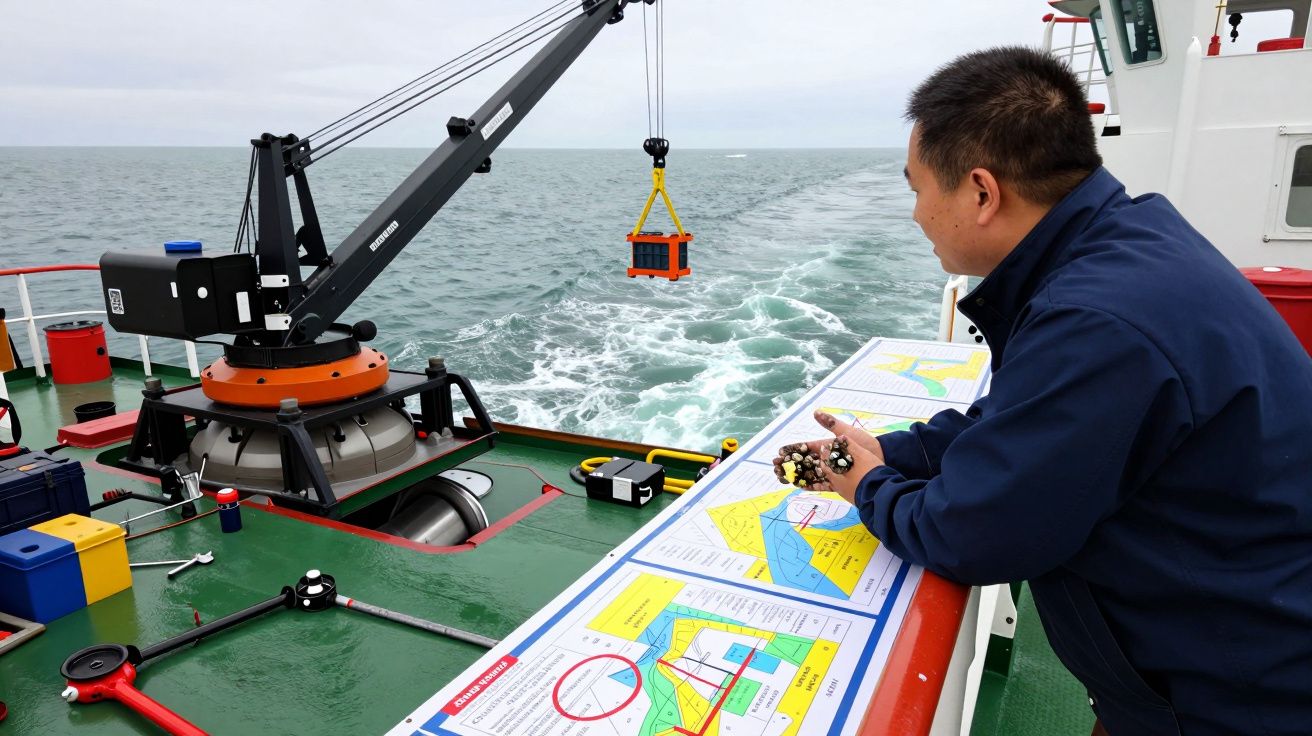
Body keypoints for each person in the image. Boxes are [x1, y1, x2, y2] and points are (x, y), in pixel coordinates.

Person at [793, 47, 1312, 735]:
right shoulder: (1127, 242)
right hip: (1217, 656)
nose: (916, 213)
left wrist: (862, 483)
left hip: (1232, 700)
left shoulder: (1097, 322)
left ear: (980, 192)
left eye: (917, 187)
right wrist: (892, 450)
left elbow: (970, 532)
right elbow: (1020, 420)